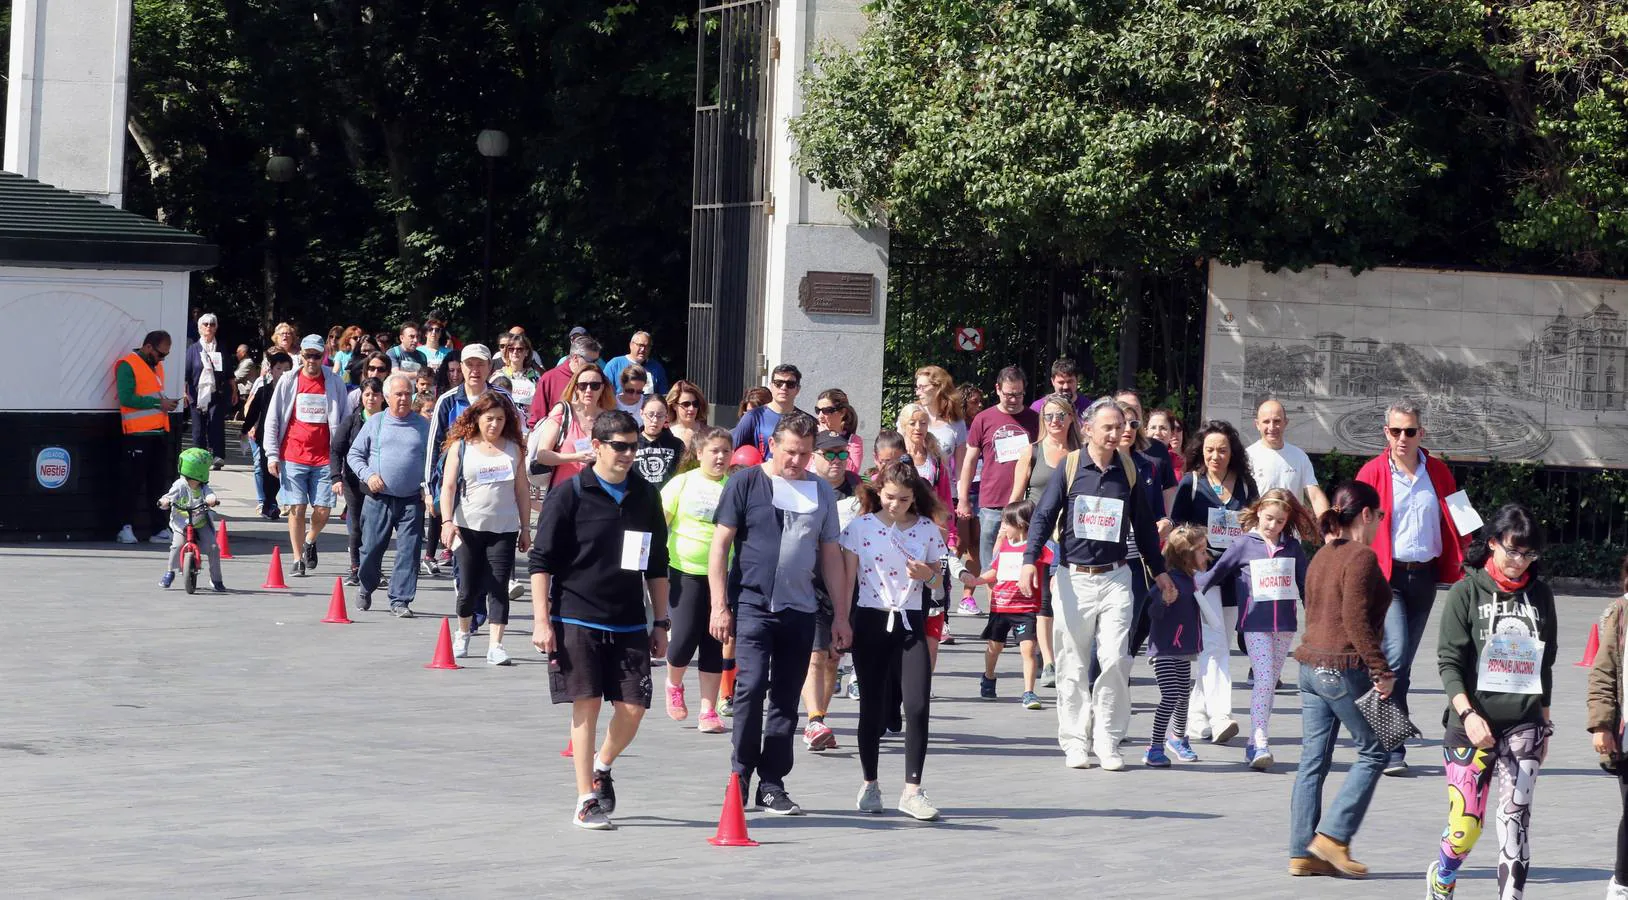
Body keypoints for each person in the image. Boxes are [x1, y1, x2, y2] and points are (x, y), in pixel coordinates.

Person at [529, 409, 671, 831]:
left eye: (634, 447)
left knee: (634, 707)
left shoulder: (646, 496)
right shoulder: (570, 493)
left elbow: (658, 564)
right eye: (620, 446)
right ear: (597, 447)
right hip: (576, 615)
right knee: (586, 706)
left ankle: (602, 766)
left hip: (628, 618)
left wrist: (660, 622)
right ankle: (585, 799)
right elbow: (541, 561)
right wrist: (542, 620)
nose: (629, 454)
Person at [1023, 397, 1175, 771]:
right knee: (1072, 664)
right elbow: (1044, 514)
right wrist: (1029, 559)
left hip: (1117, 577)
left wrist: (1160, 572)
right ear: (1088, 429)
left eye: (1121, 426)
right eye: (1107, 426)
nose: (1116, 432)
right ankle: (1076, 742)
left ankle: (1107, 739)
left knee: (1114, 659)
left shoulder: (1129, 469)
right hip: (1074, 578)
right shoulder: (1071, 466)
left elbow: (1142, 524)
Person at [708, 411, 849, 815]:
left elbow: (831, 555)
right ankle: (740, 775)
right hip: (753, 604)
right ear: (773, 446)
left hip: (801, 607)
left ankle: (772, 783)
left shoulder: (820, 491)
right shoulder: (746, 482)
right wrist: (719, 604)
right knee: (750, 689)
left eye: (805, 454)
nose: (797, 461)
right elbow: (720, 547)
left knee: (787, 697)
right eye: (791, 452)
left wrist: (841, 614)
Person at [1427, 504, 1556, 900]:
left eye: (1529, 554)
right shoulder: (1466, 592)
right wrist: (1467, 714)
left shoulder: (1540, 595)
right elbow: (1448, 661)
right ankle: (1444, 875)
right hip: (1470, 722)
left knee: (1515, 821)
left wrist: (1545, 722)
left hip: (1524, 722)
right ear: (1493, 543)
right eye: (1512, 551)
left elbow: (1545, 660)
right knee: (1465, 828)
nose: (1519, 562)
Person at [1288, 480, 1396, 879]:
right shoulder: (1361, 557)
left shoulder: (1322, 555)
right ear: (1365, 515)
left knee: (1312, 762)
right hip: (1343, 668)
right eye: (1380, 516)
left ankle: (1301, 853)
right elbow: (1354, 620)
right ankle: (1333, 838)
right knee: (1377, 749)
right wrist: (1381, 671)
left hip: (1310, 665)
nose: (1380, 523)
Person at [1356, 400, 1469, 775]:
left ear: (1422, 433)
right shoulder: (1372, 472)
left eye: (1410, 431)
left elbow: (1463, 519)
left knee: (1400, 667)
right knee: (1398, 656)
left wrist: (1474, 560)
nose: (1402, 438)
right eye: (1395, 431)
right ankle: (1391, 745)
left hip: (1425, 577)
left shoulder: (1438, 472)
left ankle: (1380, 731)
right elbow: (1356, 526)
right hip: (1387, 578)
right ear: (1385, 432)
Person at [840, 459, 948, 821]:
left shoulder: (928, 531)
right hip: (870, 617)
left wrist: (927, 576)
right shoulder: (860, 528)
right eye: (889, 497)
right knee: (872, 705)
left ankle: (913, 790)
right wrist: (841, 620)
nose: (895, 505)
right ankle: (870, 782)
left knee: (916, 705)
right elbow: (847, 579)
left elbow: (939, 583)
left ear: (913, 498)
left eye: (903, 499)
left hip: (910, 620)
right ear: (877, 492)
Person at [1197, 488, 1316, 770]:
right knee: (1263, 680)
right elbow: (1214, 575)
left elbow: (1306, 586)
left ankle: (1254, 742)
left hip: (1284, 626)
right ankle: (1260, 740)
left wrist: (1316, 616)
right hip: (1255, 624)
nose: (1272, 525)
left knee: (1269, 684)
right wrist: (1180, 585)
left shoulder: (1293, 548)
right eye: (1269, 518)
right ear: (1258, 512)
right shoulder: (1242, 545)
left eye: (1279, 521)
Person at [1169, 419, 1257, 743]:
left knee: (1219, 645)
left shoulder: (1246, 485)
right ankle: (1221, 717)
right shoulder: (1191, 483)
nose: (1215, 456)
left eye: (1221, 450)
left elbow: (1257, 524)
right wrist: (1195, 542)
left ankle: (1194, 718)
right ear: (1200, 452)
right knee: (1215, 644)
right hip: (1203, 577)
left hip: (1236, 575)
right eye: (1209, 450)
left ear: (1232, 452)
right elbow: (1177, 530)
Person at [438, 391, 530, 663]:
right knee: (467, 587)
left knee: (499, 586)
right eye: (489, 418)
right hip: (467, 526)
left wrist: (525, 528)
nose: (494, 424)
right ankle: (463, 633)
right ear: (477, 418)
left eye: (500, 419)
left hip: (503, 528)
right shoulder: (462, 446)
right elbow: (449, 486)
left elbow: (522, 490)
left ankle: (496, 645)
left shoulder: (514, 448)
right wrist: (446, 522)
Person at [662, 427, 735, 734]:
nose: (720, 457)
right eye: (714, 451)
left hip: (723, 575)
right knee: (683, 638)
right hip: (684, 570)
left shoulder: (735, 487)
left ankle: (708, 709)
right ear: (700, 453)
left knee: (714, 641)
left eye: (725, 452)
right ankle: (674, 684)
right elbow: (658, 523)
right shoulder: (682, 483)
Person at [344, 373, 430, 615]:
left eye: (407, 394)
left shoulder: (423, 426)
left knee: (409, 551)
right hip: (378, 498)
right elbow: (354, 455)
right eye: (398, 394)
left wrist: (428, 487)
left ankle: (400, 600)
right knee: (371, 548)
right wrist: (369, 475)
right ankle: (366, 585)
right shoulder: (376, 422)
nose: (403, 398)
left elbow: (435, 460)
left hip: (412, 499)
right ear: (387, 397)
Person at [958, 366, 1041, 615]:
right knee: (991, 562)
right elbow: (969, 461)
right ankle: (999, 612)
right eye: (1008, 394)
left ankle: (1022, 612)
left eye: (1018, 394)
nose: (1013, 400)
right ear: (997, 389)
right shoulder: (984, 419)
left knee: (1023, 560)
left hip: (1026, 504)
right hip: (992, 502)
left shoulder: (1035, 420)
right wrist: (963, 498)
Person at [263, 335, 348, 576]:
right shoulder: (289, 380)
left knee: (323, 510)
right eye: (308, 355)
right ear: (301, 355)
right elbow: (273, 419)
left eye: (316, 356)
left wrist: (341, 457)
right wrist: (272, 455)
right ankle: (298, 558)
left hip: (324, 459)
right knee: (297, 508)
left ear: (323, 356)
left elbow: (343, 420)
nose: (312, 360)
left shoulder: (334, 382)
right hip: (292, 455)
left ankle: (310, 540)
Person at [1009, 393, 1079, 686]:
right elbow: (1016, 496)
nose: (1054, 421)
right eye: (1048, 416)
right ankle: (1048, 661)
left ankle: (1068, 655)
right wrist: (1007, 530)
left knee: (1071, 597)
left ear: (1071, 418)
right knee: (1045, 601)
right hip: (1038, 534)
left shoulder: (1081, 453)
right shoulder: (1032, 452)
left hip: (1072, 534)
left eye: (1060, 415)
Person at [803, 429, 863, 751]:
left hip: (845, 584)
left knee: (831, 658)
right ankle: (813, 720)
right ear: (815, 457)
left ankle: (820, 717)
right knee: (813, 654)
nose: (838, 461)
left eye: (843, 454)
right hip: (807, 581)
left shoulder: (861, 490)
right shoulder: (804, 487)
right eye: (830, 454)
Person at [963, 499, 1051, 709]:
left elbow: (1052, 561)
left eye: (1005, 524)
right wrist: (978, 580)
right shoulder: (1004, 547)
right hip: (1001, 607)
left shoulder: (1037, 549)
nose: (1002, 528)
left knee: (1028, 650)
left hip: (1025, 609)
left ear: (1020, 524)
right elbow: (995, 571)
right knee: (994, 648)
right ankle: (988, 676)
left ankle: (1029, 692)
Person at [1144, 525, 1207, 767]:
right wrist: (1162, 600)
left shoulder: (1191, 579)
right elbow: (1152, 611)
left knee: (1183, 697)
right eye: (1201, 551)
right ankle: (1154, 747)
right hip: (1163, 650)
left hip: (1183, 650)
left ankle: (1178, 739)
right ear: (1185, 555)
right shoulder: (1170, 581)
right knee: (1170, 695)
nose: (1206, 555)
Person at [114, 330, 179, 544]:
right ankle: (125, 527)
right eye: (161, 354)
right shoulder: (127, 364)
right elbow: (126, 398)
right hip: (136, 433)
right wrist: (159, 404)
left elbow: (152, 394)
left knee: (157, 484)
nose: (162, 359)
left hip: (158, 431)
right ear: (148, 347)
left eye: (166, 355)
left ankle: (159, 529)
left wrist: (166, 403)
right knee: (132, 483)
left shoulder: (156, 366)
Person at [1588, 557, 1628, 900]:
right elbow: (1603, 672)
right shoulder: (1620, 613)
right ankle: (1622, 883)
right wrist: (1602, 725)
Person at [332, 376, 384, 585]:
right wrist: (336, 477)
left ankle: (374, 569)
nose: (371, 399)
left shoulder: (388, 419)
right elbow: (336, 450)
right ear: (361, 397)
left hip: (380, 483)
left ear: (383, 397)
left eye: (375, 394)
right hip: (354, 481)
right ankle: (355, 568)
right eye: (367, 394)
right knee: (356, 527)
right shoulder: (352, 420)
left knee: (376, 527)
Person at [532, 363, 616, 490]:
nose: (588, 390)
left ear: (602, 388)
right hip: (564, 493)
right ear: (576, 388)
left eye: (595, 385)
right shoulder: (563, 410)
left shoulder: (609, 418)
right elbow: (542, 455)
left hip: (598, 493)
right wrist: (576, 457)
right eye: (583, 385)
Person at [1247, 398, 1331, 517]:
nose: (1272, 427)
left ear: (1285, 423)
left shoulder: (1299, 456)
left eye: (1277, 421)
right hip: (1258, 532)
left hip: (1292, 532)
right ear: (1257, 424)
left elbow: (1315, 496)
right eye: (1266, 421)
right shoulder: (1248, 456)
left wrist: (1328, 526)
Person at [156, 447, 225, 592]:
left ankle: (216, 579)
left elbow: (210, 495)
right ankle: (170, 572)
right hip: (182, 524)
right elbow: (169, 496)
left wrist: (212, 500)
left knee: (213, 547)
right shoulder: (180, 485)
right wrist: (164, 501)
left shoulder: (203, 487)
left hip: (200, 523)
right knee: (177, 545)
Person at [241, 352, 292, 521]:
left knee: (281, 471)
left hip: (287, 437)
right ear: (271, 370)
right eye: (279, 368)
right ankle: (269, 503)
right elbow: (254, 412)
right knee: (267, 469)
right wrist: (245, 429)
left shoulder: (294, 392)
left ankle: (275, 502)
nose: (283, 372)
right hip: (266, 437)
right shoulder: (264, 390)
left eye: (287, 369)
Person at [186, 313, 233, 468]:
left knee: (216, 424)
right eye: (205, 324)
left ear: (216, 327)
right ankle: (200, 458)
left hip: (217, 392)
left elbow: (229, 373)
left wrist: (233, 391)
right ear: (199, 328)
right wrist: (184, 393)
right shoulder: (193, 349)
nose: (209, 327)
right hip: (197, 393)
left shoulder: (221, 348)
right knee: (198, 428)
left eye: (212, 324)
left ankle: (217, 456)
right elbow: (186, 374)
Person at [732, 364, 806, 460]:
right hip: (762, 474)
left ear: (797, 389)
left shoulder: (806, 421)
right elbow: (731, 450)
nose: (783, 387)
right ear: (771, 386)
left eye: (790, 384)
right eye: (778, 383)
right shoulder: (754, 416)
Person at [529, 334, 601, 428]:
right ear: (575, 358)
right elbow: (537, 418)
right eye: (590, 361)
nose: (595, 366)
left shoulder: (599, 378)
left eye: (596, 361)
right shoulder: (550, 378)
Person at [896, 402, 954, 510]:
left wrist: (948, 525)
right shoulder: (896, 456)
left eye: (923, 423)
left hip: (928, 519)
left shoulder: (935, 458)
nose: (918, 428)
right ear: (904, 426)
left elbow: (945, 497)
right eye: (912, 423)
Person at [633, 394, 684, 489]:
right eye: (650, 415)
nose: (655, 420)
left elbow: (681, 476)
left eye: (660, 416)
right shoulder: (631, 443)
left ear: (666, 417)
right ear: (641, 413)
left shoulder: (677, 444)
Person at [601, 331, 669, 396]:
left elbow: (663, 395)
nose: (643, 349)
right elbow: (604, 391)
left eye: (647, 346)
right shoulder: (615, 364)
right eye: (640, 345)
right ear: (631, 345)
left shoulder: (656, 367)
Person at [815, 388, 864, 474]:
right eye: (818, 410)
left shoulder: (853, 440)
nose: (820, 416)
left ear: (842, 412)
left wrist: (829, 436)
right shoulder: (812, 437)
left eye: (826, 411)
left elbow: (852, 471)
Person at [497, 334, 542, 425]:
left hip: (529, 426)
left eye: (519, 349)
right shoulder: (499, 376)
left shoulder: (535, 376)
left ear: (526, 352)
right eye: (511, 349)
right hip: (505, 426)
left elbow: (541, 402)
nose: (515, 352)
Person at [666, 380, 708, 447]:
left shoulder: (708, 433)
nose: (691, 408)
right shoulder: (664, 432)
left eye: (695, 404)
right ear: (674, 406)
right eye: (686, 404)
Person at [1147, 409, 1185, 481]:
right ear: (1146, 431)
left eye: (1163, 428)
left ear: (1171, 433)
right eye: (1153, 428)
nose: (1157, 432)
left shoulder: (1176, 462)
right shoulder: (1137, 459)